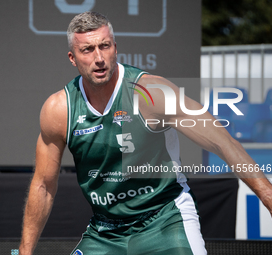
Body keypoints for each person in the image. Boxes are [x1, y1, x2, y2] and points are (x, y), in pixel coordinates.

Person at [19, 11, 272, 255]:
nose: (99, 57)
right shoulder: (59, 109)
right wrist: (24, 251)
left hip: (165, 218)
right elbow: (43, 184)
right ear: (73, 58)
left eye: (105, 46)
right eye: (87, 49)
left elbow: (222, 142)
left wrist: (267, 195)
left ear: (115, 48)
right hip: (106, 230)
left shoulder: (151, 93)